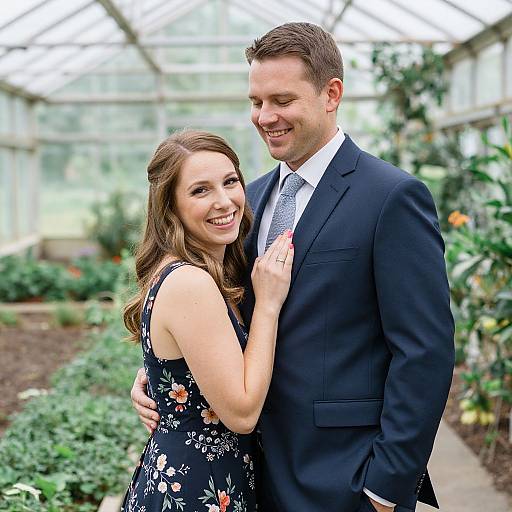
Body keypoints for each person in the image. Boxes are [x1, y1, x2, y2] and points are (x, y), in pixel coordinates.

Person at [131, 23, 455, 512]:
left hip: (343, 478)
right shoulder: (247, 198)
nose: (265, 117)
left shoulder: (391, 198)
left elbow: (425, 353)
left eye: (281, 100)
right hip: (247, 475)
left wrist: (384, 489)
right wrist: (165, 376)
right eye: (256, 101)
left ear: (332, 94)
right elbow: (221, 313)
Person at [121, 129, 294, 512]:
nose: (224, 201)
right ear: (170, 207)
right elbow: (243, 413)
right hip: (196, 489)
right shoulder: (190, 282)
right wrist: (267, 305)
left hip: (207, 479)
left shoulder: (209, 272)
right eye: (200, 191)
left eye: (230, 181)